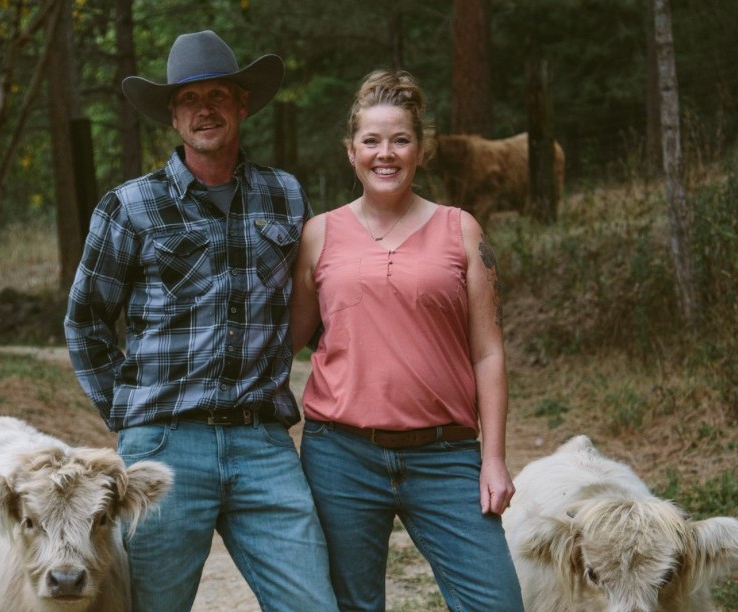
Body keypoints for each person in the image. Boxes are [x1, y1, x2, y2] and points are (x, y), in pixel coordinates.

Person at [64, 30, 337, 612]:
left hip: (262, 441)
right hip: (164, 446)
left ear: (242, 105)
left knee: (313, 602)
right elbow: (85, 320)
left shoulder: (285, 197)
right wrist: (130, 414)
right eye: (189, 98)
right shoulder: (130, 205)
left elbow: (319, 305)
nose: (204, 108)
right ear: (173, 115)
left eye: (218, 94)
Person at [289, 69, 525, 611]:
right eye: (371, 141)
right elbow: (287, 343)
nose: (385, 153)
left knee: (497, 602)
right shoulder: (319, 234)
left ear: (422, 149)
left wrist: (494, 459)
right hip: (340, 454)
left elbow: (488, 353)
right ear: (351, 152)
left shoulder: (461, 229)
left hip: (446, 456)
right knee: (353, 605)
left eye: (400, 139)